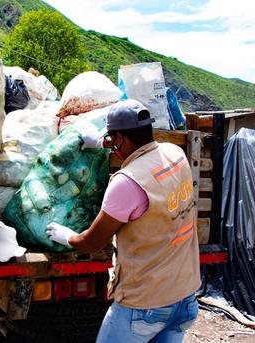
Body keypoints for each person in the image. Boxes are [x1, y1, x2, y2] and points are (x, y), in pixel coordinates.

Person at [46, 99, 201, 342]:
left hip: (144, 306)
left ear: (120, 138)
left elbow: (92, 242)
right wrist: (103, 141)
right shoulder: (175, 154)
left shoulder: (127, 183)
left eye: (111, 139)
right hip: (185, 298)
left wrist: (67, 236)